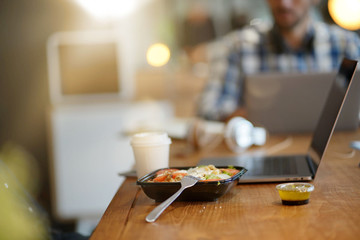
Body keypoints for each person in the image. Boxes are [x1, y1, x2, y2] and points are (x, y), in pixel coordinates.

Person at [197, 0, 360, 121]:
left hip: (334, 150)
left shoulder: (346, 44)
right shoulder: (237, 46)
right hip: (262, 150)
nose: (284, 3)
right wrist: (254, 115)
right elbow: (208, 109)